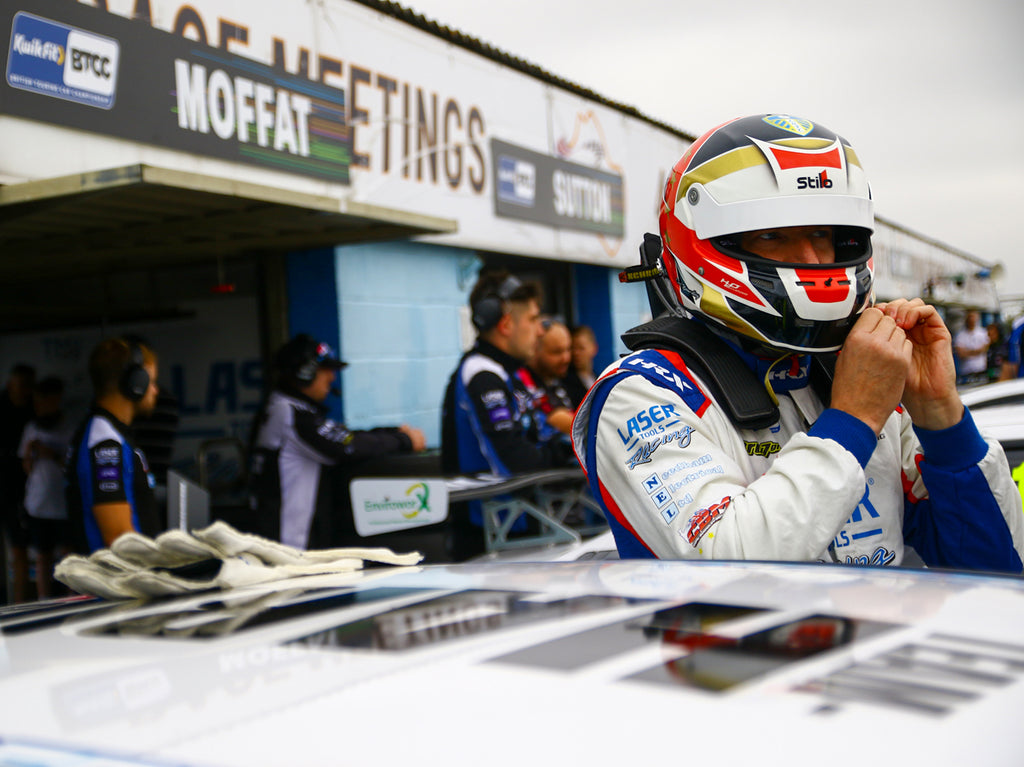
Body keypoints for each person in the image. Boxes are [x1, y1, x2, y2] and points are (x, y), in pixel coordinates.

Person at [571, 113, 1024, 572]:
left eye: (823, 235)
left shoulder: (864, 381)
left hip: (887, 641)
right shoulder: (643, 393)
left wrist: (940, 415)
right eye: (773, 235)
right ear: (708, 242)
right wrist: (852, 421)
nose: (811, 258)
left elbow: (992, 571)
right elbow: (729, 570)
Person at [441, 271, 577, 558]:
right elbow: (516, 459)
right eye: (532, 319)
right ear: (505, 324)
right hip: (490, 544)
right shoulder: (481, 375)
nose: (540, 330)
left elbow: (541, 434)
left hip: (515, 532)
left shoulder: (505, 373)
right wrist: (570, 459)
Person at [248, 334, 426, 550]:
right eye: (326, 370)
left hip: (285, 544)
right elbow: (346, 446)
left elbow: (343, 435)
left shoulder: (285, 409)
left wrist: (393, 432)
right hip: (289, 548)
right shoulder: (291, 415)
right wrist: (404, 440)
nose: (331, 377)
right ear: (305, 373)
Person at [66, 338, 162, 553]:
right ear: (135, 384)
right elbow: (119, 537)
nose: (155, 390)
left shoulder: (108, 434)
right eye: (152, 382)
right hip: (121, 582)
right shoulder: (104, 442)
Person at [18, 377, 72, 599]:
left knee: (68, 556)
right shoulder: (31, 427)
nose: (40, 407)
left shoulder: (69, 427)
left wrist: (53, 454)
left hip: (63, 504)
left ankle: (72, 601)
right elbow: (26, 466)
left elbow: (74, 466)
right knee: (42, 555)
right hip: (38, 504)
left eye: (45, 401)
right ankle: (44, 602)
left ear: (56, 400)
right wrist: (31, 452)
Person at [0, 364, 35, 602]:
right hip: (3, 486)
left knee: (21, 548)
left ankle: (20, 603)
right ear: (10, 384)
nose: (24, 392)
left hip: (28, 489)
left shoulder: (34, 410)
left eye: (28, 387)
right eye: (20, 386)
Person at [520, 318, 575, 435]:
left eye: (568, 349)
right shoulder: (522, 379)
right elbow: (571, 425)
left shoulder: (555, 377)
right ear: (534, 350)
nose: (566, 358)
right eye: (556, 352)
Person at [565, 325, 599, 409]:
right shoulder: (565, 382)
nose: (576, 353)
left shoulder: (599, 378)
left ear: (594, 349)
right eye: (572, 348)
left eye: (581, 348)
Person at [953, 310, 989, 384]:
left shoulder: (983, 333)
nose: (972, 319)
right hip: (966, 372)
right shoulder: (961, 335)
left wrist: (968, 352)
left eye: (973, 317)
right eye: (970, 317)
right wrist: (977, 351)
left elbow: (985, 348)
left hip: (981, 370)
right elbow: (961, 354)